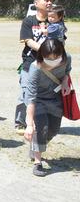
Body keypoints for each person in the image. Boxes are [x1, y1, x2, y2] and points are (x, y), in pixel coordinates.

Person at [24, 39, 72, 176]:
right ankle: (37, 163)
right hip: (39, 100)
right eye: (48, 58)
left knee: (53, 130)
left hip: (56, 100)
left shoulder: (67, 58)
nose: (52, 61)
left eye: (56, 58)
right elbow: (31, 98)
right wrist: (29, 125)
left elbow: (67, 73)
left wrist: (65, 82)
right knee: (42, 128)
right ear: (41, 55)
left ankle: (36, 145)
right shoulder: (35, 68)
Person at [15, 0, 53, 132]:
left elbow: (59, 41)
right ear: (36, 4)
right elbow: (29, 41)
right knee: (25, 92)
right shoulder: (29, 21)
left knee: (45, 93)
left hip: (49, 65)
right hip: (30, 63)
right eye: (46, 0)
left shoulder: (54, 21)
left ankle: (39, 121)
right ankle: (20, 122)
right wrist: (46, 51)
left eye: (51, 1)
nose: (49, 3)